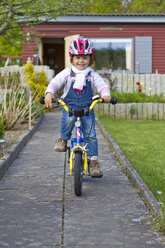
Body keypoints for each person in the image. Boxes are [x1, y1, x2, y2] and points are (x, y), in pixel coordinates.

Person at [45, 37, 111, 178]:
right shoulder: (67, 73)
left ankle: (93, 162)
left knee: (91, 135)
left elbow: (102, 85)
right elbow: (56, 82)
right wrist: (49, 94)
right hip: (69, 106)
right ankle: (63, 138)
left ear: (90, 59)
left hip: (88, 108)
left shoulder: (92, 75)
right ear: (72, 58)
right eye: (78, 57)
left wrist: (105, 94)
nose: (81, 61)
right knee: (68, 121)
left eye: (85, 58)